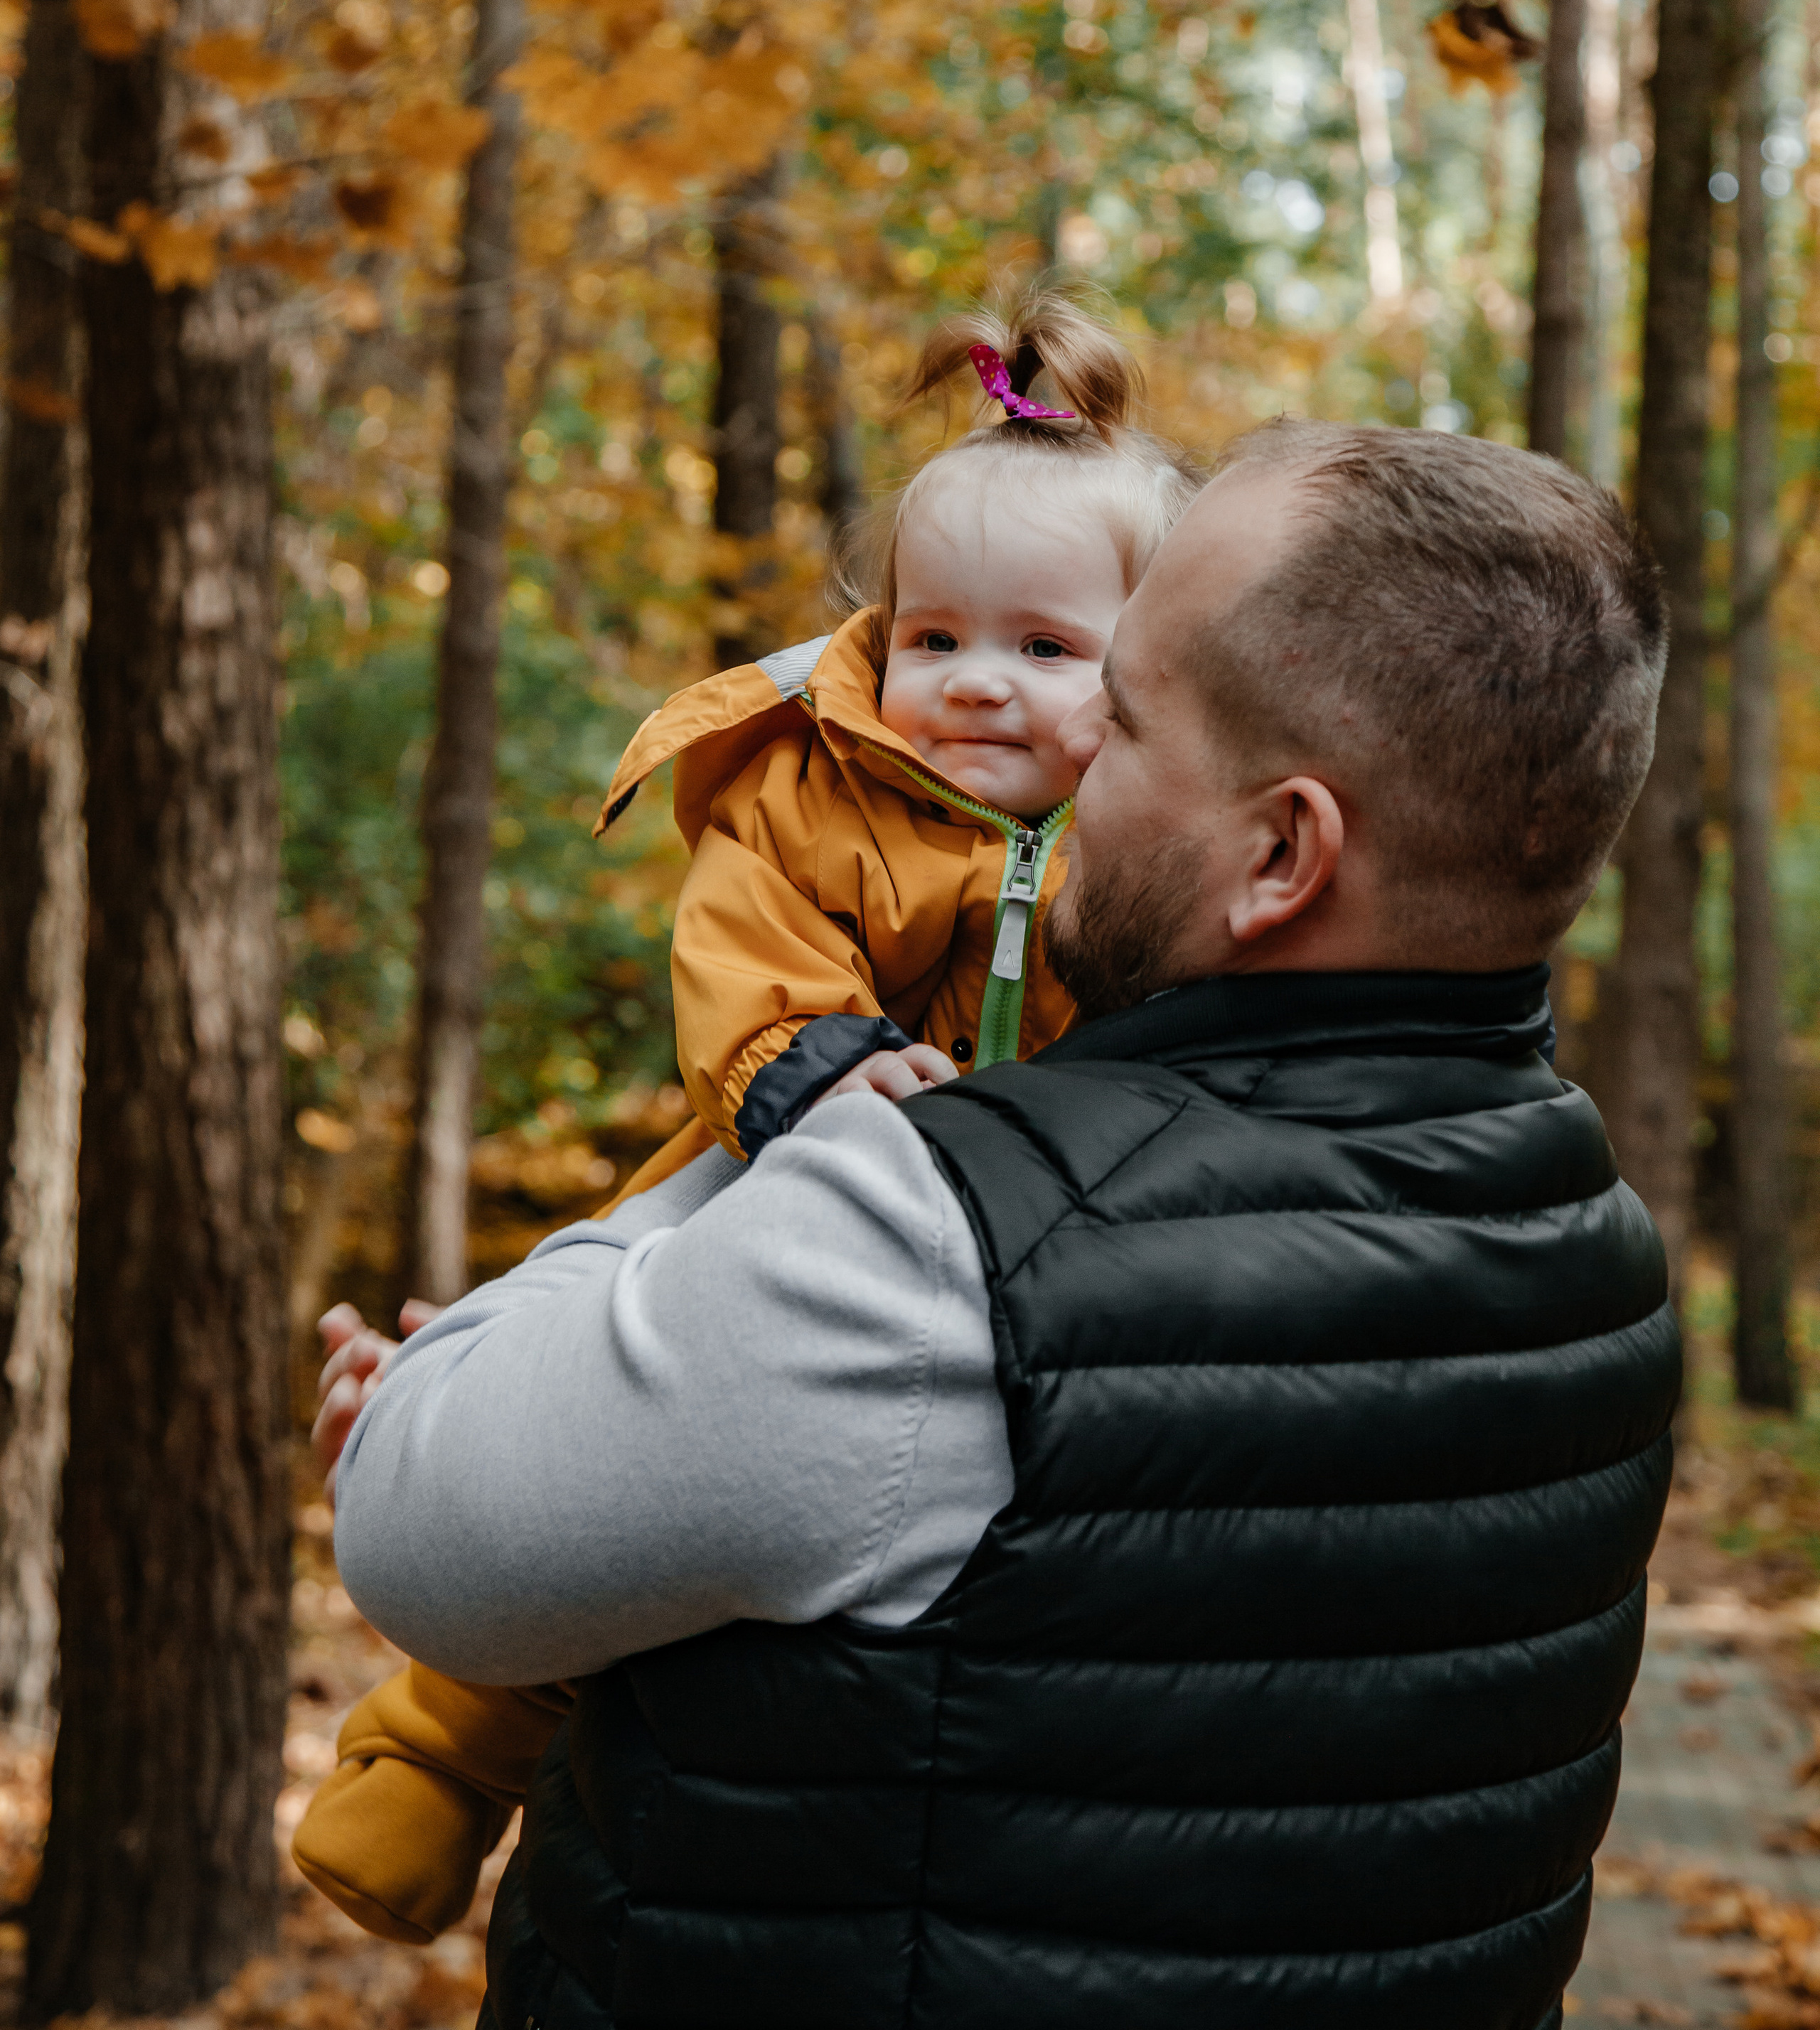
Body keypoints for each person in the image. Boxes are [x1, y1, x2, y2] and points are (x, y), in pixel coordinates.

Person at [326, 419, 1680, 2030]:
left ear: (1277, 854)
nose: (1052, 763)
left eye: (1118, 716)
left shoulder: (943, 1249)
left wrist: (712, 1179)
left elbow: (426, 1524)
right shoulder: (1594, 1249)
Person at [294, 284, 1199, 1944]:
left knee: (742, 1526)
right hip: (781, 1145)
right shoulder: (808, 782)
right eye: (932, 638)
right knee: (595, 1423)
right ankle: (432, 1747)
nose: (974, 686)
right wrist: (815, 1063)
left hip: (1032, 1213)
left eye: (1045, 649)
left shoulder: (1143, 847)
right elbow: (742, 946)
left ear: (1146, 672)